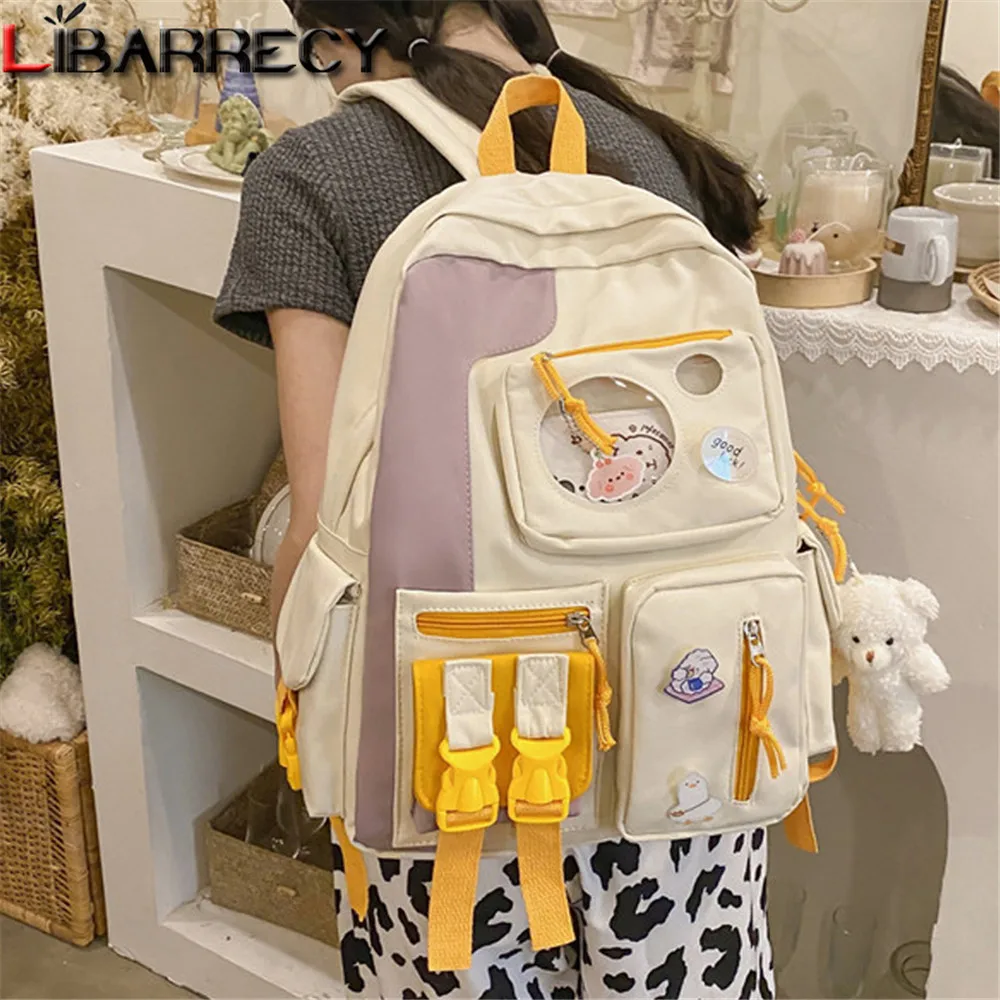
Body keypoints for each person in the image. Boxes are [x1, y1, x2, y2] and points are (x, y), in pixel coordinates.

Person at [214, 3, 771, 997]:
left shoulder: (309, 173)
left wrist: (302, 690)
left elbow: (319, 508)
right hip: (680, 714)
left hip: (457, 741)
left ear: (338, 27)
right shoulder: (634, 137)